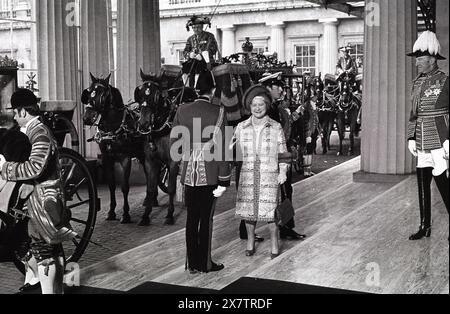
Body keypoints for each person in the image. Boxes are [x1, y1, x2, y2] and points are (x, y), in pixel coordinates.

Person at [0, 89, 77, 294]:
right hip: (36, 197)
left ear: (24, 112)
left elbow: (35, 167)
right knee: (45, 248)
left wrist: (5, 167)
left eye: (16, 112)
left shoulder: (40, 133)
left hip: (43, 199)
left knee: (44, 251)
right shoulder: (33, 131)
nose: (15, 117)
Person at [171, 69, 231, 274]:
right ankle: (205, 263)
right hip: (211, 172)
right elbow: (224, 148)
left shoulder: (182, 110)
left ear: (197, 89)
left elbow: (175, 146)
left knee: (191, 219)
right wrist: (225, 178)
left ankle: (191, 264)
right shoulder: (220, 112)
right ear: (213, 90)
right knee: (206, 219)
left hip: (188, 173)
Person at [232, 85, 289, 258]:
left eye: (261, 105)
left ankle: (274, 243)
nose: (257, 108)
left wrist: (283, 171)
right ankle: (250, 241)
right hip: (248, 174)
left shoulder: (276, 126)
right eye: (254, 105)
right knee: (249, 212)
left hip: (269, 174)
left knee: (271, 212)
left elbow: (283, 151)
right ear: (249, 106)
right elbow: (230, 151)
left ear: (266, 106)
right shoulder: (241, 127)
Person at [406, 31, 449, 241]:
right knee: (422, 182)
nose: (417, 63)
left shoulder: (445, 81)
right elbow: (414, 113)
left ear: (432, 60)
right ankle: (425, 226)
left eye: (420, 59)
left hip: (441, 140)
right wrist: (410, 137)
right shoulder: (416, 83)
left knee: (444, 183)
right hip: (422, 139)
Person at [259, 72, 306, 241]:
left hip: (280, 156)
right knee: (280, 192)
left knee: (285, 191)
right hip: (273, 158)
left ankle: (285, 227)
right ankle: (283, 228)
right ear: (267, 88)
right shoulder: (267, 109)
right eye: (276, 86)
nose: (281, 90)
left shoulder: (275, 107)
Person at [183, 16, 219, 87]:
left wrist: (203, 56)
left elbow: (214, 49)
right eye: (194, 28)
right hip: (193, 64)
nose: (196, 29)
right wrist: (190, 54)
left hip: (207, 63)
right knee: (184, 70)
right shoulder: (190, 39)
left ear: (202, 27)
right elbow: (185, 51)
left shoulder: (209, 36)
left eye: (198, 27)